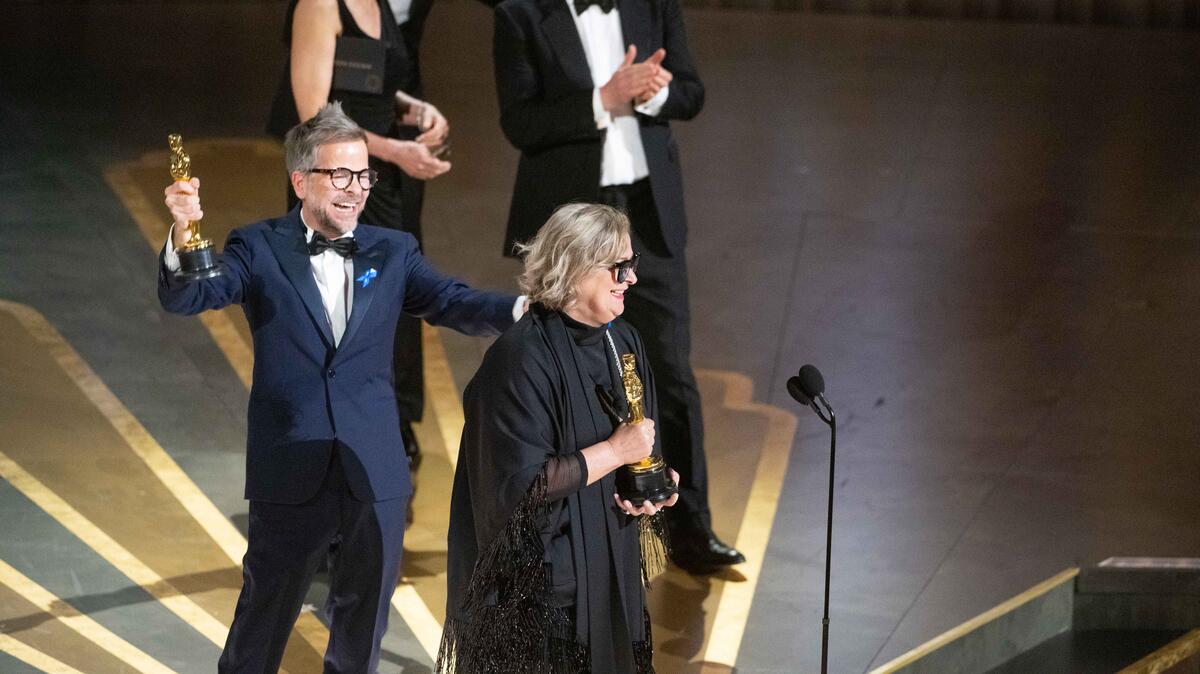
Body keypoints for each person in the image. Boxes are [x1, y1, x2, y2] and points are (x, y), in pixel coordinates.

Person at [160, 103, 520, 673]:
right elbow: (190, 295)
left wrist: (527, 308)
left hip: (371, 462)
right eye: (340, 175)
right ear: (301, 180)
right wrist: (184, 233)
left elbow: (454, 301)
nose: (356, 190)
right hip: (291, 460)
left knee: (364, 615)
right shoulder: (258, 246)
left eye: (364, 175)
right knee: (267, 608)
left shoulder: (393, 249)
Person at [492, 0, 744, 572]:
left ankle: (690, 529)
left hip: (647, 220)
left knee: (673, 375)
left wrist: (652, 92)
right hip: (573, 226)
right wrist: (601, 100)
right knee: (563, 372)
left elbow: (691, 94)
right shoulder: (520, 14)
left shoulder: (653, 4)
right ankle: (565, 532)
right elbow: (520, 123)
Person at [438, 203, 679, 673]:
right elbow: (524, 484)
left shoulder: (624, 340)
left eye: (632, 265)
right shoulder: (519, 359)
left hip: (607, 572)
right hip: (544, 596)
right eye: (618, 267)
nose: (630, 278)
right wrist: (615, 452)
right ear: (574, 267)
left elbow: (637, 439)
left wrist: (645, 484)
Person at [267, 0, 452, 470]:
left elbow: (368, 84)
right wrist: (394, 151)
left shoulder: (380, 5)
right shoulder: (320, 4)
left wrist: (413, 109)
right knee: (337, 320)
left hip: (379, 186)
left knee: (384, 314)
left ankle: (379, 445)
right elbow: (316, 122)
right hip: (335, 189)